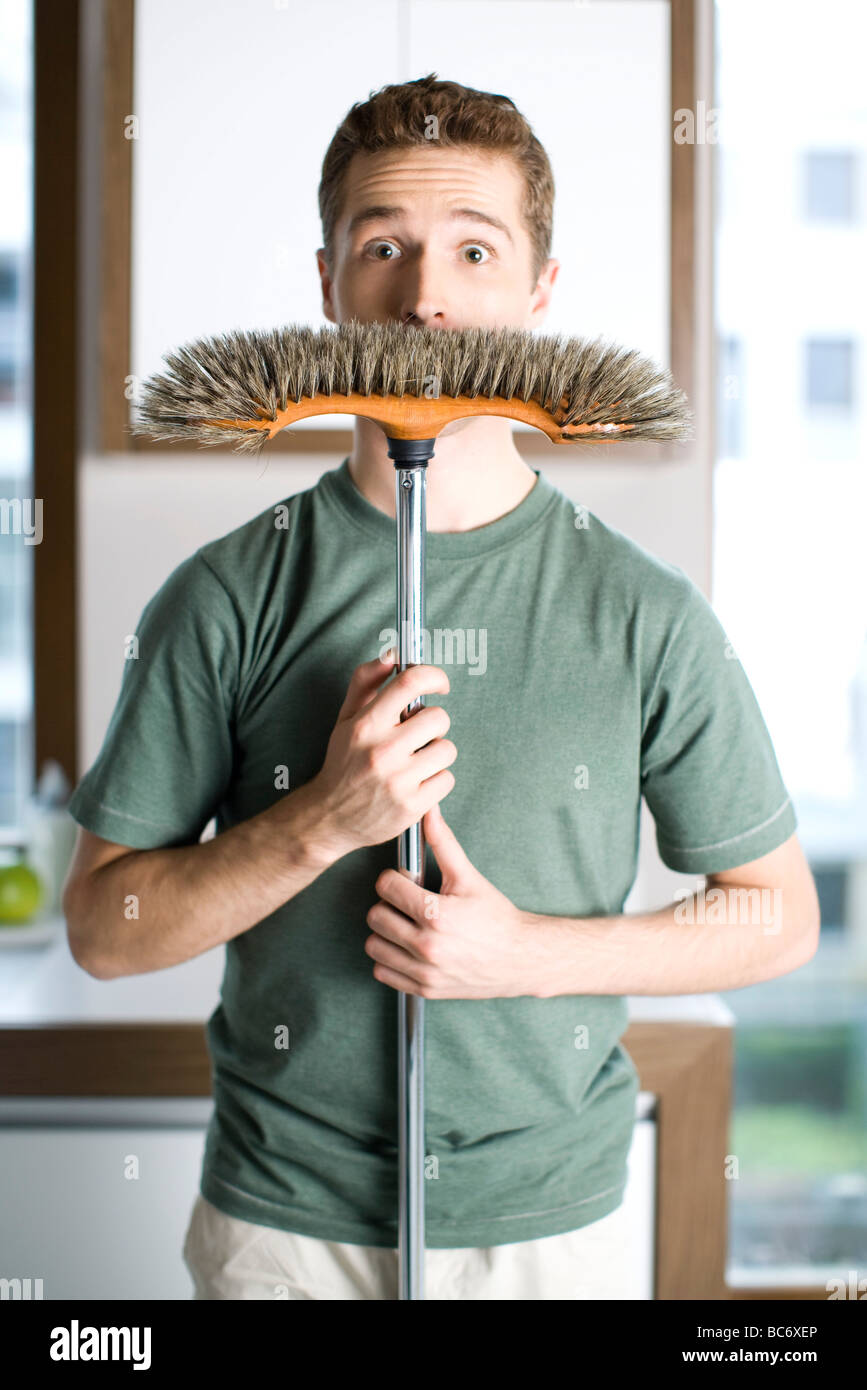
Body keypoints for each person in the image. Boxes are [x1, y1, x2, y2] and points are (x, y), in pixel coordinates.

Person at [62, 74, 820, 1301]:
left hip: (550, 1230)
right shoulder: (223, 596)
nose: (426, 293)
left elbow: (777, 915)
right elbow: (104, 928)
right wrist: (322, 821)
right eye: (384, 247)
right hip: (281, 1231)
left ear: (539, 292)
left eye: (475, 249)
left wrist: (522, 953)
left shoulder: (644, 612)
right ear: (328, 284)